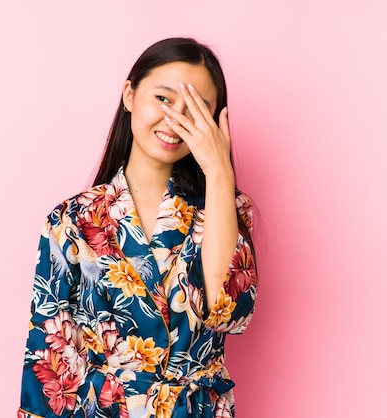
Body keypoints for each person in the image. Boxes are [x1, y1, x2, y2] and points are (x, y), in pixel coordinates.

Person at [17, 37, 258, 418]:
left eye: (194, 109)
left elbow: (231, 312)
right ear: (130, 94)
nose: (175, 120)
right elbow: (50, 363)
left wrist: (218, 171)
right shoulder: (72, 220)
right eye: (163, 99)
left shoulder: (227, 207)